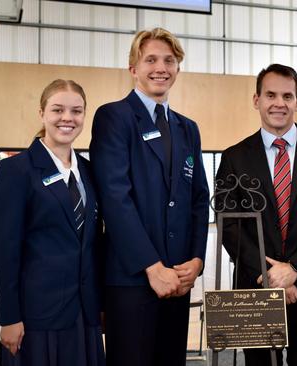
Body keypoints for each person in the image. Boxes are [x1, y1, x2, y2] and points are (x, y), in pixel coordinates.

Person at [89, 27, 209, 366]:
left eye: (169, 61)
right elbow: (115, 199)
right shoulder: (114, 117)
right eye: (151, 60)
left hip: (178, 278)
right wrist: (152, 267)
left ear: (178, 69)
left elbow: (199, 199)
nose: (161, 68)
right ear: (133, 69)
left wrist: (196, 261)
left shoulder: (188, 128)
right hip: (132, 278)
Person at [216, 63, 297, 366]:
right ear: (256, 100)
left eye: (287, 96)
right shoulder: (234, 157)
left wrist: (295, 268)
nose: (279, 103)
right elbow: (230, 224)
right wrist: (269, 274)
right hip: (255, 286)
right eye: (271, 95)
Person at [0, 79, 105, 366]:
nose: (67, 118)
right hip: (38, 315)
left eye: (76, 111)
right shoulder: (16, 171)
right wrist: (9, 317)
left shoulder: (90, 172)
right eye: (58, 110)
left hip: (84, 312)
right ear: (42, 113)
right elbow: (6, 252)